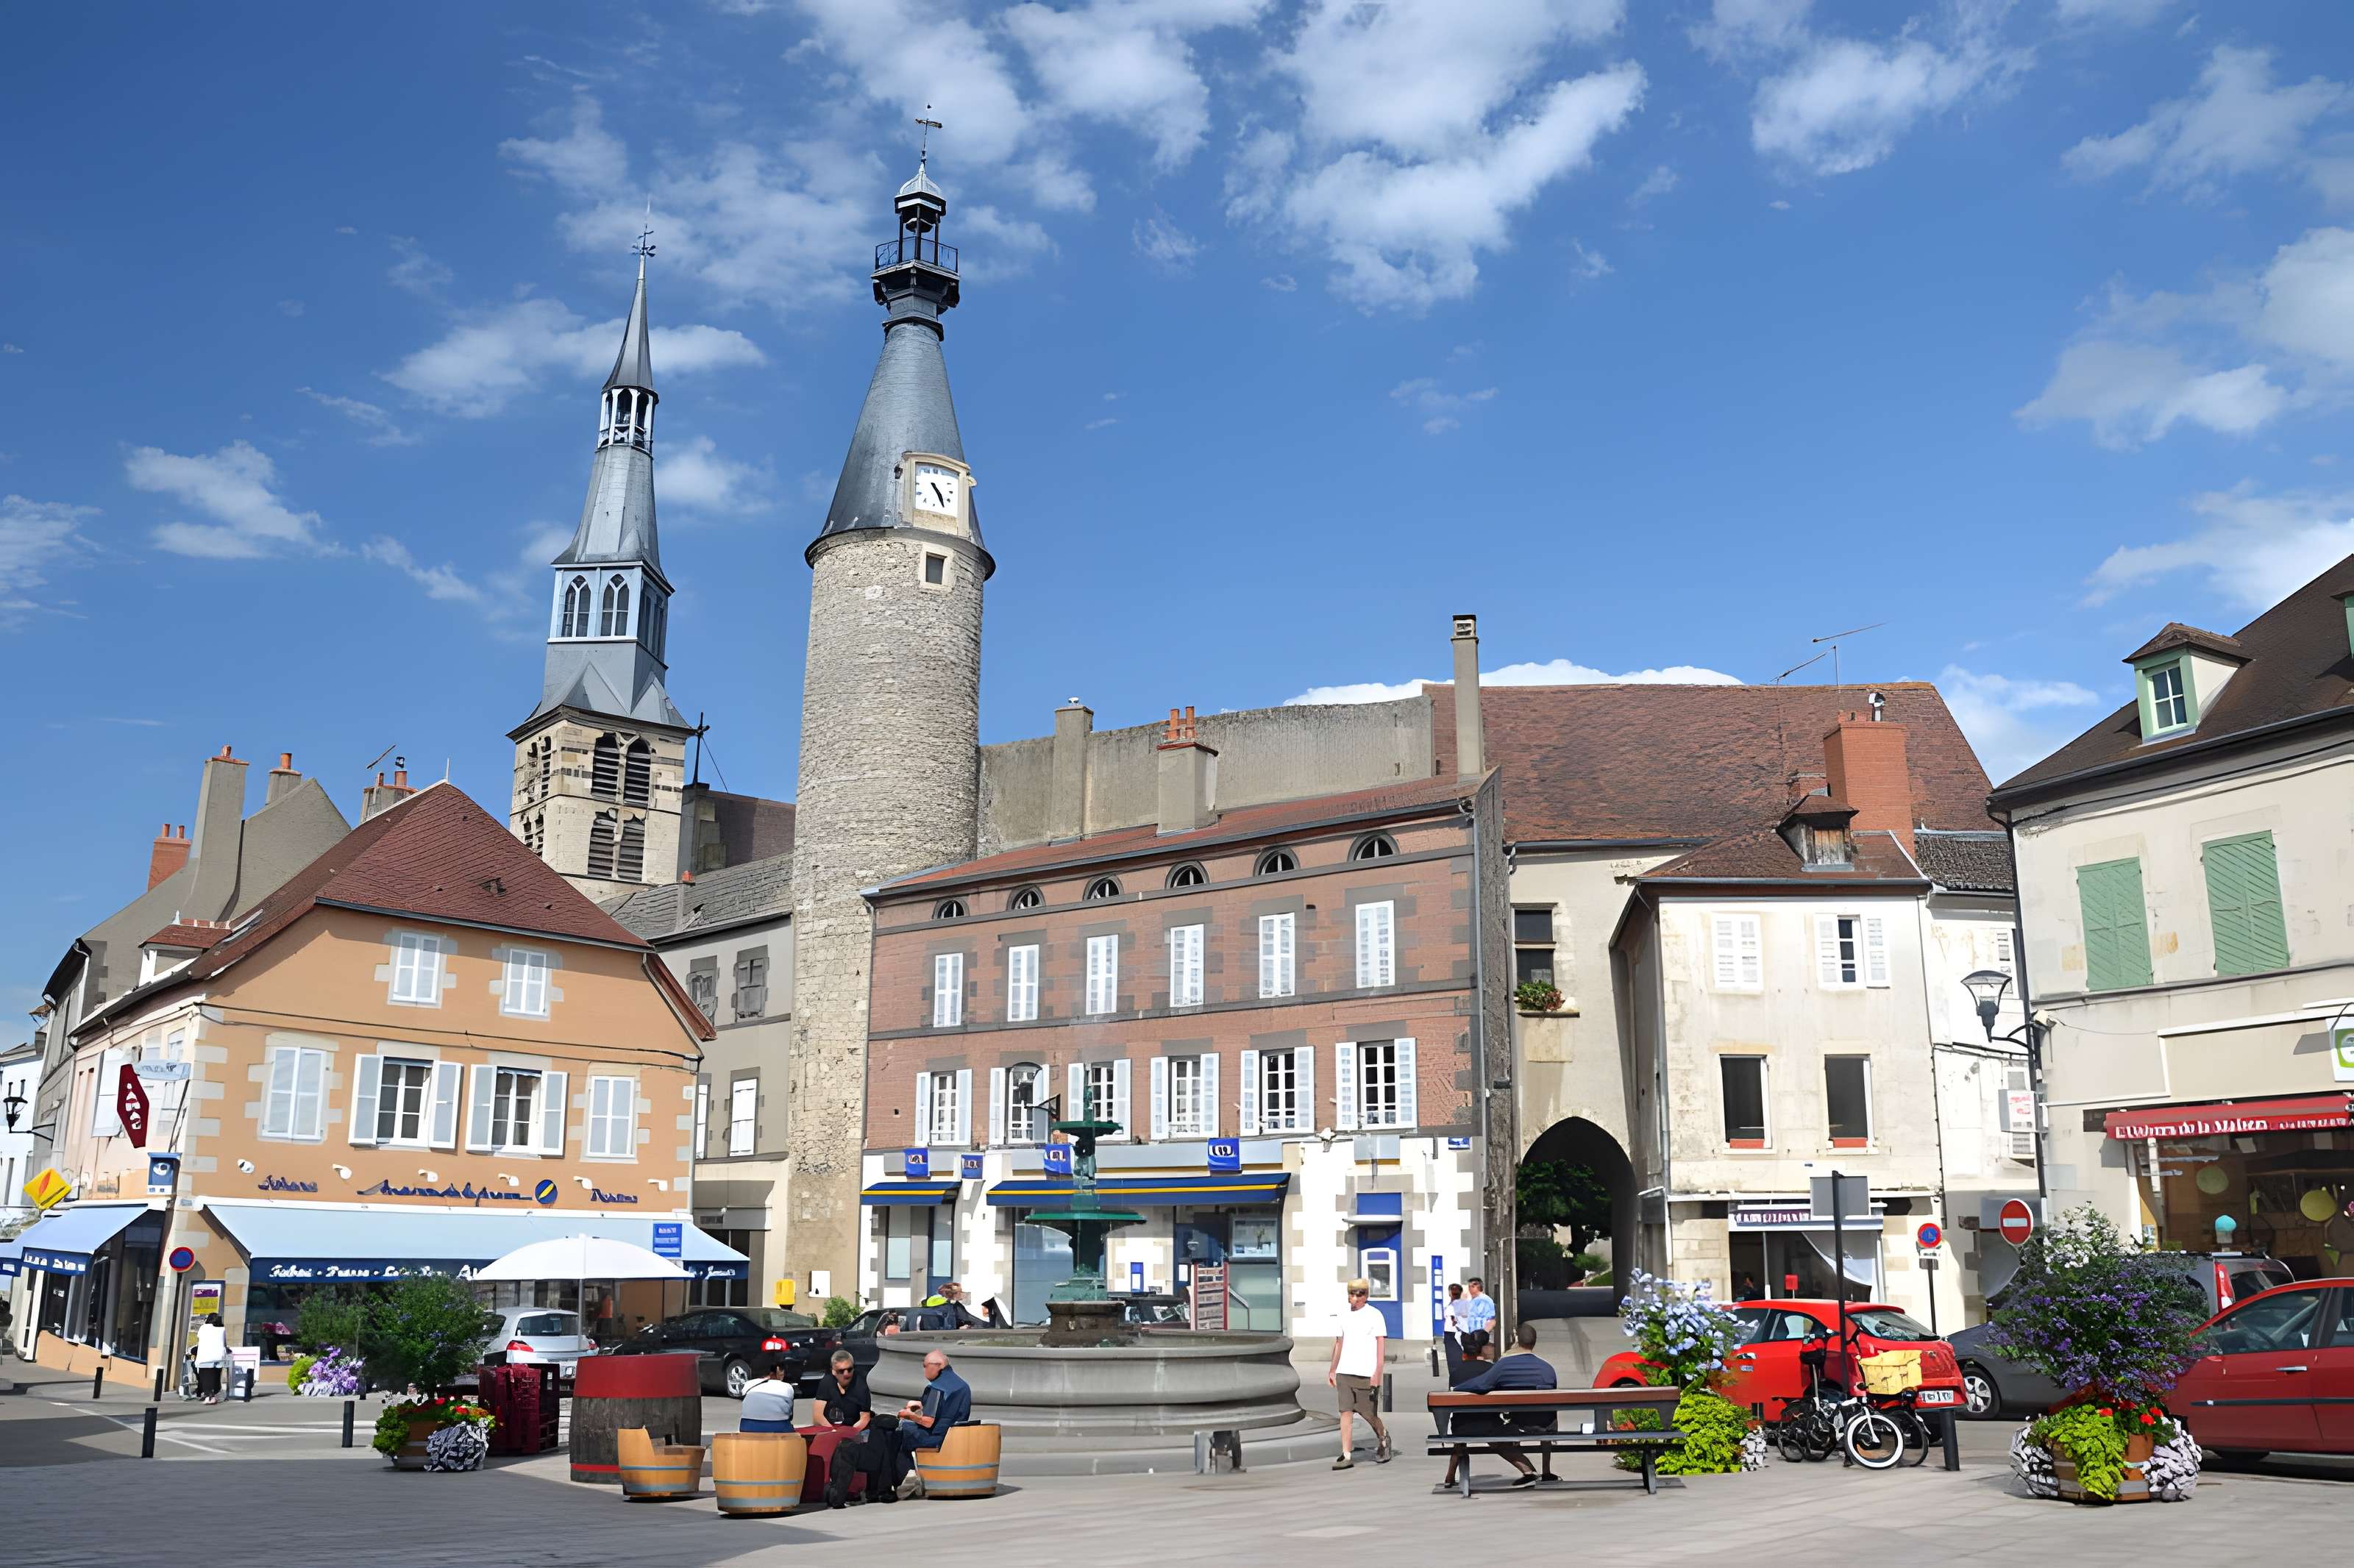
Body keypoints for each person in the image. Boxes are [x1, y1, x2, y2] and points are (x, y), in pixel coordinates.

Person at [1449, 1321, 1558, 1489]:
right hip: (1545, 1425)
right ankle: (1546, 1471)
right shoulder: (1547, 1369)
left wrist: (1457, 1389)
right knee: (1550, 1418)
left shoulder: (1504, 1365)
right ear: (1534, 1342)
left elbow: (1482, 1385)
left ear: (1517, 1340)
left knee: (1498, 1426)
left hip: (1519, 1424)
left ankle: (1528, 1470)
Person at [892, 1349, 974, 1497]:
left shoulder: (936, 1387)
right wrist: (920, 1405)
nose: (924, 1370)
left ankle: (903, 1479)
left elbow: (928, 1422)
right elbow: (945, 1410)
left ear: (937, 1366)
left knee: (895, 1432)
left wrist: (907, 1415)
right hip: (953, 1435)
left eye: (925, 1365)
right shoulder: (963, 1385)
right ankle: (909, 1477)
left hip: (935, 1437)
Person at [1326, 1280, 1389, 1469]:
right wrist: (1332, 1369)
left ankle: (1383, 1438)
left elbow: (1380, 1347)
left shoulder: (1375, 1315)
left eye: (1359, 1294)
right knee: (1345, 1412)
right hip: (1344, 1371)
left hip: (1366, 1372)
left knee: (1368, 1413)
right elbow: (1339, 1343)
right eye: (1352, 1294)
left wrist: (1377, 1373)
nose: (1355, 1298)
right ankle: (1346, 1454)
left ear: (1366, 1296)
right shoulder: (1342, 1315)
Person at [817, 1350, 890, 1508]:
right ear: (833, 1372)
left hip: (856, 1429)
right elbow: (818, 1415)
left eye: (849, 1369)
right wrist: (833, 1432)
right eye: (841, 1371)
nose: (846, 1374)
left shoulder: (861, 1385)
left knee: (862, 1442)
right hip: (831, 1428)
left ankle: (863, 1489)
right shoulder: (827, 1383)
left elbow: (864, 1418)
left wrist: (850, 1433)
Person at [1438, 1328, 1497, 1490]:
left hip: (1461, 1426)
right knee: (1501, 1439)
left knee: (1461, 1434)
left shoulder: (1456, 1373)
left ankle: (1450, 1476)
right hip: (1489, 1425)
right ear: (1483, 1348)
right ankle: (1529, 1471)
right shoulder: (1491, 1370)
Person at [738, 1358, 797, 1433]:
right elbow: (790, 1416)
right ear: (773, 1373)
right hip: (778, 1427)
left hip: (747, 1427)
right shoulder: (787, 1387)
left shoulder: (748, 1385)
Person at [193, 1313, 230, 1403]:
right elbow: (224, 1343)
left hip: (205, 1357)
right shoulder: (222, 1329)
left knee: (206, 1377)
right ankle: (214, 1395)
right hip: (219, 1356)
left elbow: (199, 1338)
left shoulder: (203, 1328)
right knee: (216, 1377)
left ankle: (209, 1397)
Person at [1441, 1283, 1467, 1381]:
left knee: (1454, 1363)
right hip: (1454, 1334)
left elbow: (1454, 1320)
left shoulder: (1453, 1306)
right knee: (1456, 1361)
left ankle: (1455, 1384)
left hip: (1453, 1335)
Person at [1460, 1276, 1497, 1341]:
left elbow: (1491, 1320)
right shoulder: (1472, 1300)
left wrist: (1483, 1333)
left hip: (1479, 1335)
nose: (1469, 1289)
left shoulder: (1483, 1300)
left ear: (1477, 1287)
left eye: (1471, 1287)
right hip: (1471, 1335)